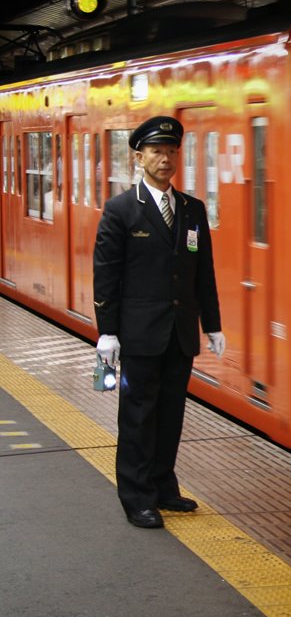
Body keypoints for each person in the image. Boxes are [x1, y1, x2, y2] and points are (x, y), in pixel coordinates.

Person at [93, 115, 226, 529]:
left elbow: (203, 271)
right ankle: (136, 497)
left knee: (170, 414)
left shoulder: (192, 210)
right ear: (139, 157)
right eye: (156, 151)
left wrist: (213, 324)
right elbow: (106, 273)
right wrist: (107, 331)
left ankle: (163, 487)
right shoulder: (121, 210)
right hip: (138, 334)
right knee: (137, 416)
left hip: (179, 332)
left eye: (171, 151)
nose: (165, 159)